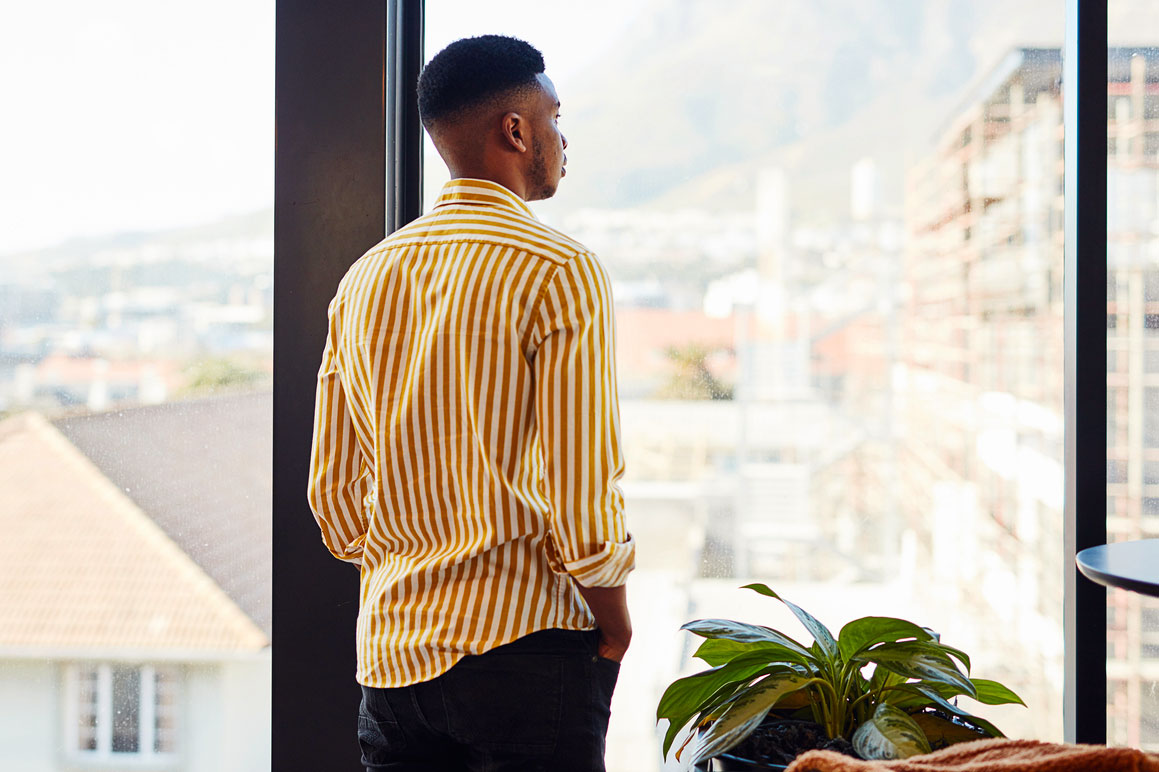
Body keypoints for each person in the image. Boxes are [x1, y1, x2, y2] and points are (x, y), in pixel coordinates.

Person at [307, 34, 635, 772]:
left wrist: (413, 566)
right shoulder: (559, 269)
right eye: (553, 116)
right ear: (515, 131)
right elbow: (581, 491)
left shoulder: (365, 279)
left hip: (392, 664)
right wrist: (613, 619)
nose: (560, 137)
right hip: (526, 654)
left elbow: (333, 499)